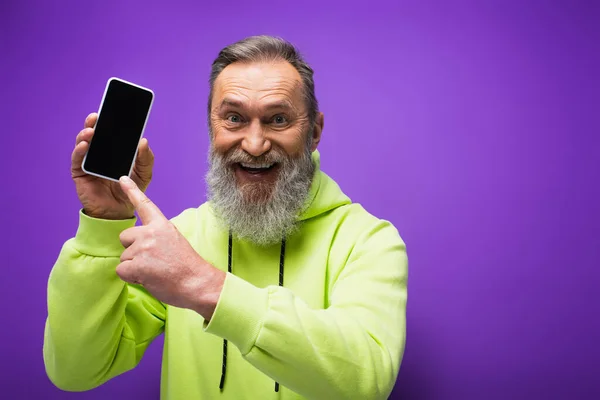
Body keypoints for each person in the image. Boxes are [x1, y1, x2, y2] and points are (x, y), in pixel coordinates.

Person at [43, 35, 408, 400]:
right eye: (233, 118)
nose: (254, 143)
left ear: (313, 132)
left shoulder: (369, 240)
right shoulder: (181, 237)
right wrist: (103, 224)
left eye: (278, 119)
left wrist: (204, 286)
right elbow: (77, 370)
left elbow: (367, 381)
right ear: (212, 127)